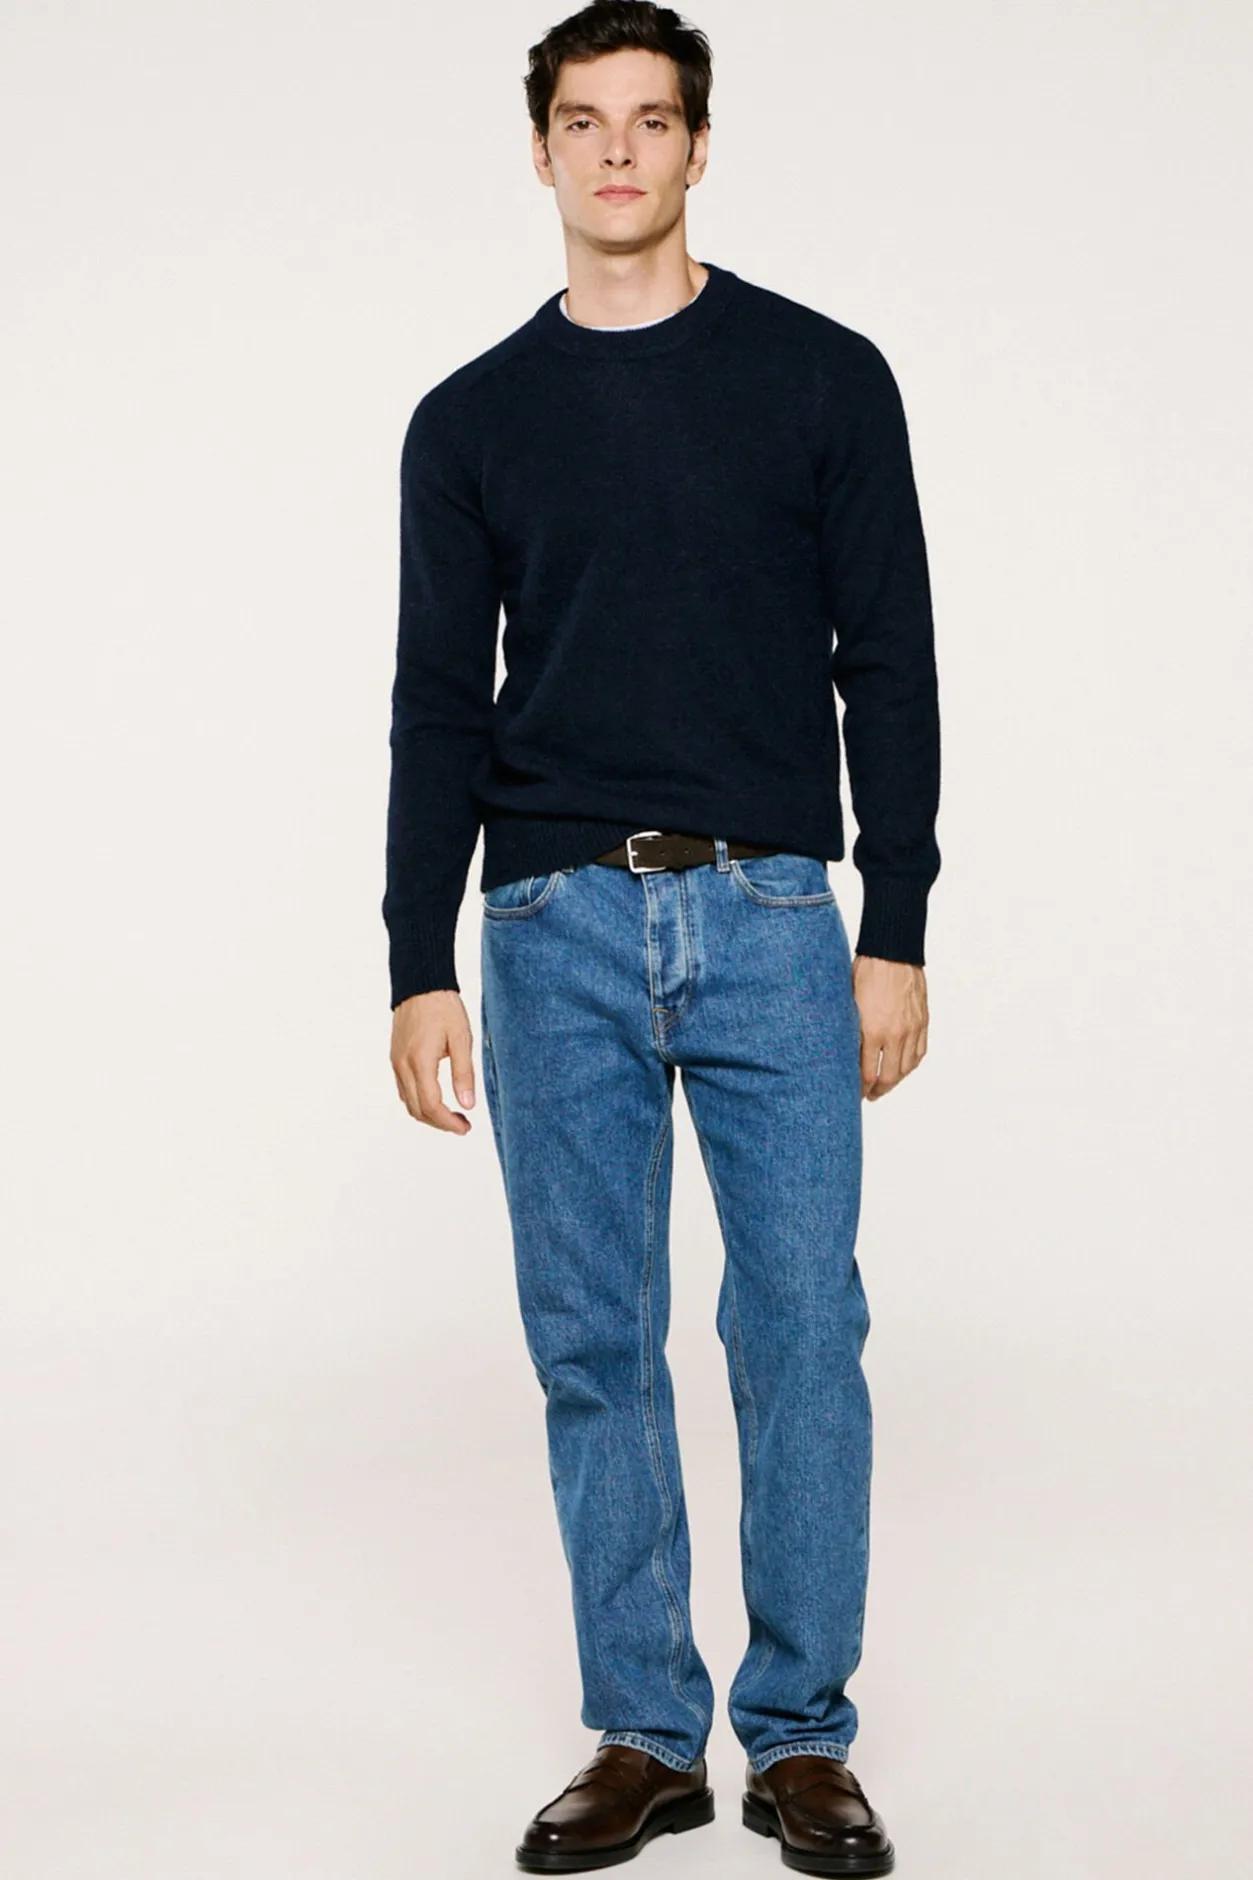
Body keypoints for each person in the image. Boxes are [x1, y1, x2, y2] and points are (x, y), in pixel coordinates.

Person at [383, 4, 940, 1871]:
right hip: (549, 922)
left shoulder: (823, 379)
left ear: (702, 146)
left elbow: (890, 664)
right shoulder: (471, 420)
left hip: (775, 911)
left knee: (802, 1325)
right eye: (582, 120)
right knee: (592, 1337)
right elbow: (438, 704)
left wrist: (895, 921)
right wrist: (416, 954)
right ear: (539, 151)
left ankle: (800, 1739)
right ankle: (643, 1730)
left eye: (649, 119)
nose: (616, 150)